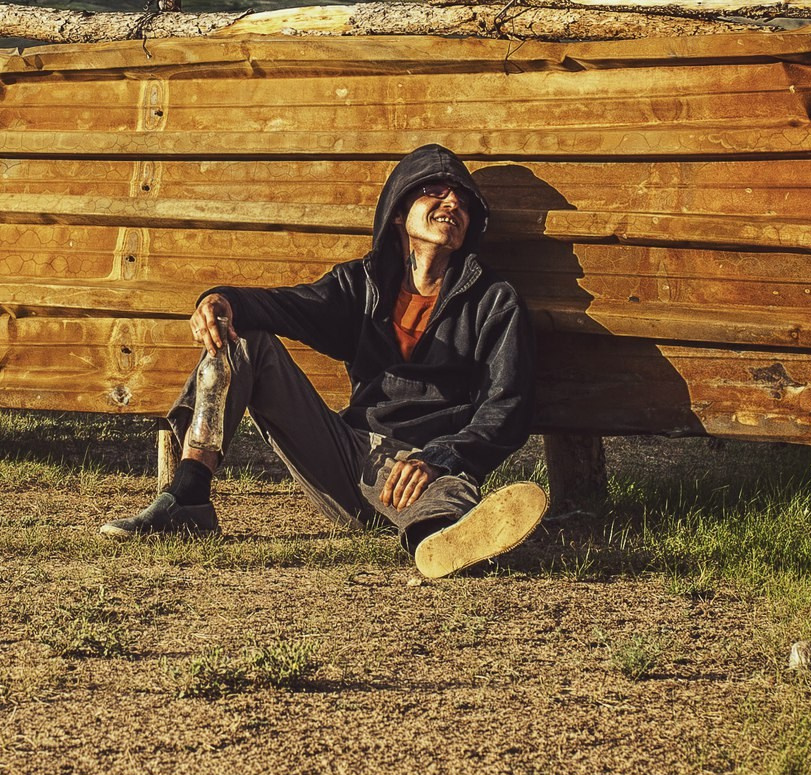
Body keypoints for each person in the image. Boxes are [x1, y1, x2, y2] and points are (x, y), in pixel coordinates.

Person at [100, 143, 547, 579]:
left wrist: (442, 456)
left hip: (423, 465)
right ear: (397, 212)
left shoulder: (493, 301)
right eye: (435, 191)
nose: (452, 202)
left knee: (447, 492)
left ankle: (443, 538)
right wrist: (220, 301)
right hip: (345, 455)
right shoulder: (363, 284)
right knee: (245, 339)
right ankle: (188, 496)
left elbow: (505, 407)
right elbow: (286, 307)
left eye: (464, 201)